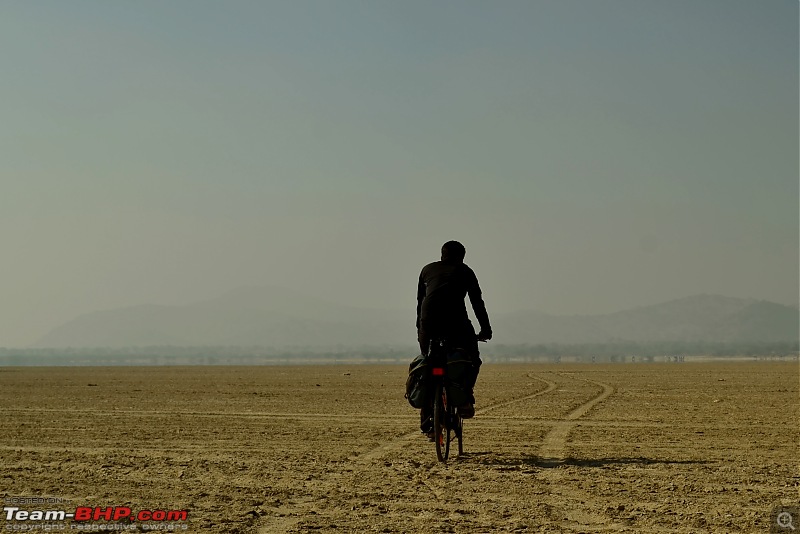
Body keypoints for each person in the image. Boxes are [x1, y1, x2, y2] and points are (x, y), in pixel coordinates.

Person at [416, 240, 492, 434]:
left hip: (428, 322)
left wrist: (421, 331)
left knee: (429, 363)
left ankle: (428, 423)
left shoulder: (427, 270)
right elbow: (477, 302)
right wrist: (485, 329)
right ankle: (465, 399)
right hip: (456, 322)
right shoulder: (465, 271)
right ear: (461, 257)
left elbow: (420, 302)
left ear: (442, 254)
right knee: (472, 359)